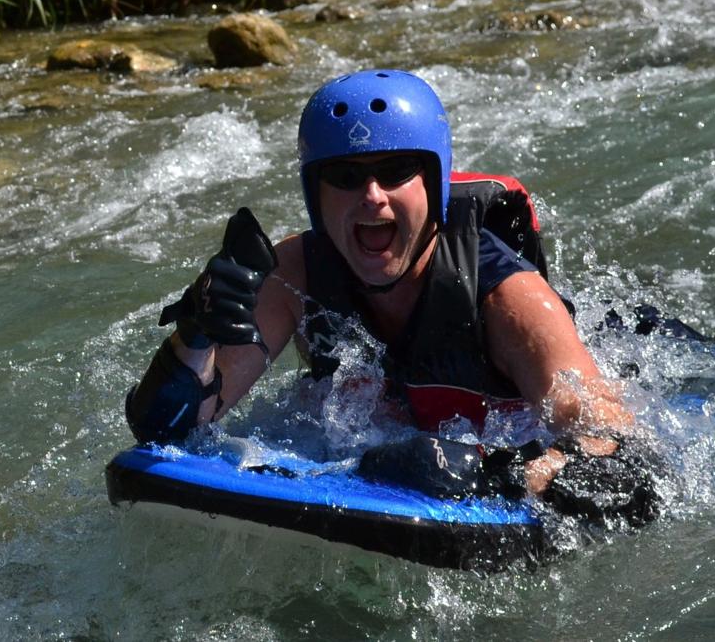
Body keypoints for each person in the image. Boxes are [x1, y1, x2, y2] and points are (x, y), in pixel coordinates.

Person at [125, 69, 664, 527]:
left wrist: (500, 473)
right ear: (315, 195)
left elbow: (613, 441)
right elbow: (174, 429)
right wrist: (196, 334)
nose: (372, 196)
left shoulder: (508, 298)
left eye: (396, 170)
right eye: (345, 175)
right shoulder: (295, 275)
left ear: (432, 184)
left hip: (627, 345)